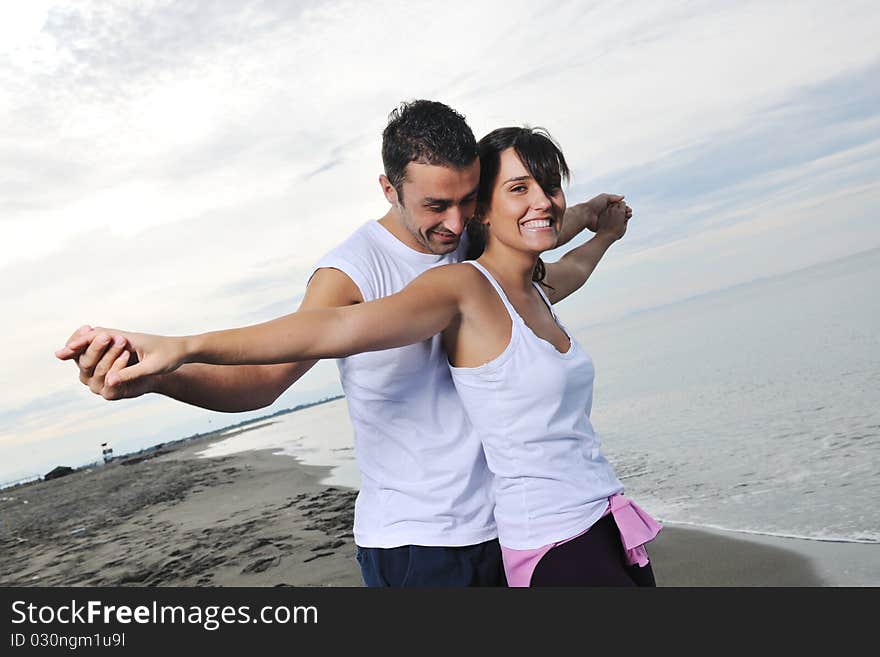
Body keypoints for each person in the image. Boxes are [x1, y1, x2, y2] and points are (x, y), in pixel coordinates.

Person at [56, 100, 632, 586]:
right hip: (421, 543)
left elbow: (539, 266)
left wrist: (592, 219)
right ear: (389, 188)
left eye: (466, 200)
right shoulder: (352, 271)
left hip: (509, 528)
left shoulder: (467, 245)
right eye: (435, 206)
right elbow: (264, 381)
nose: (456, 225)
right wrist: (163, 370)